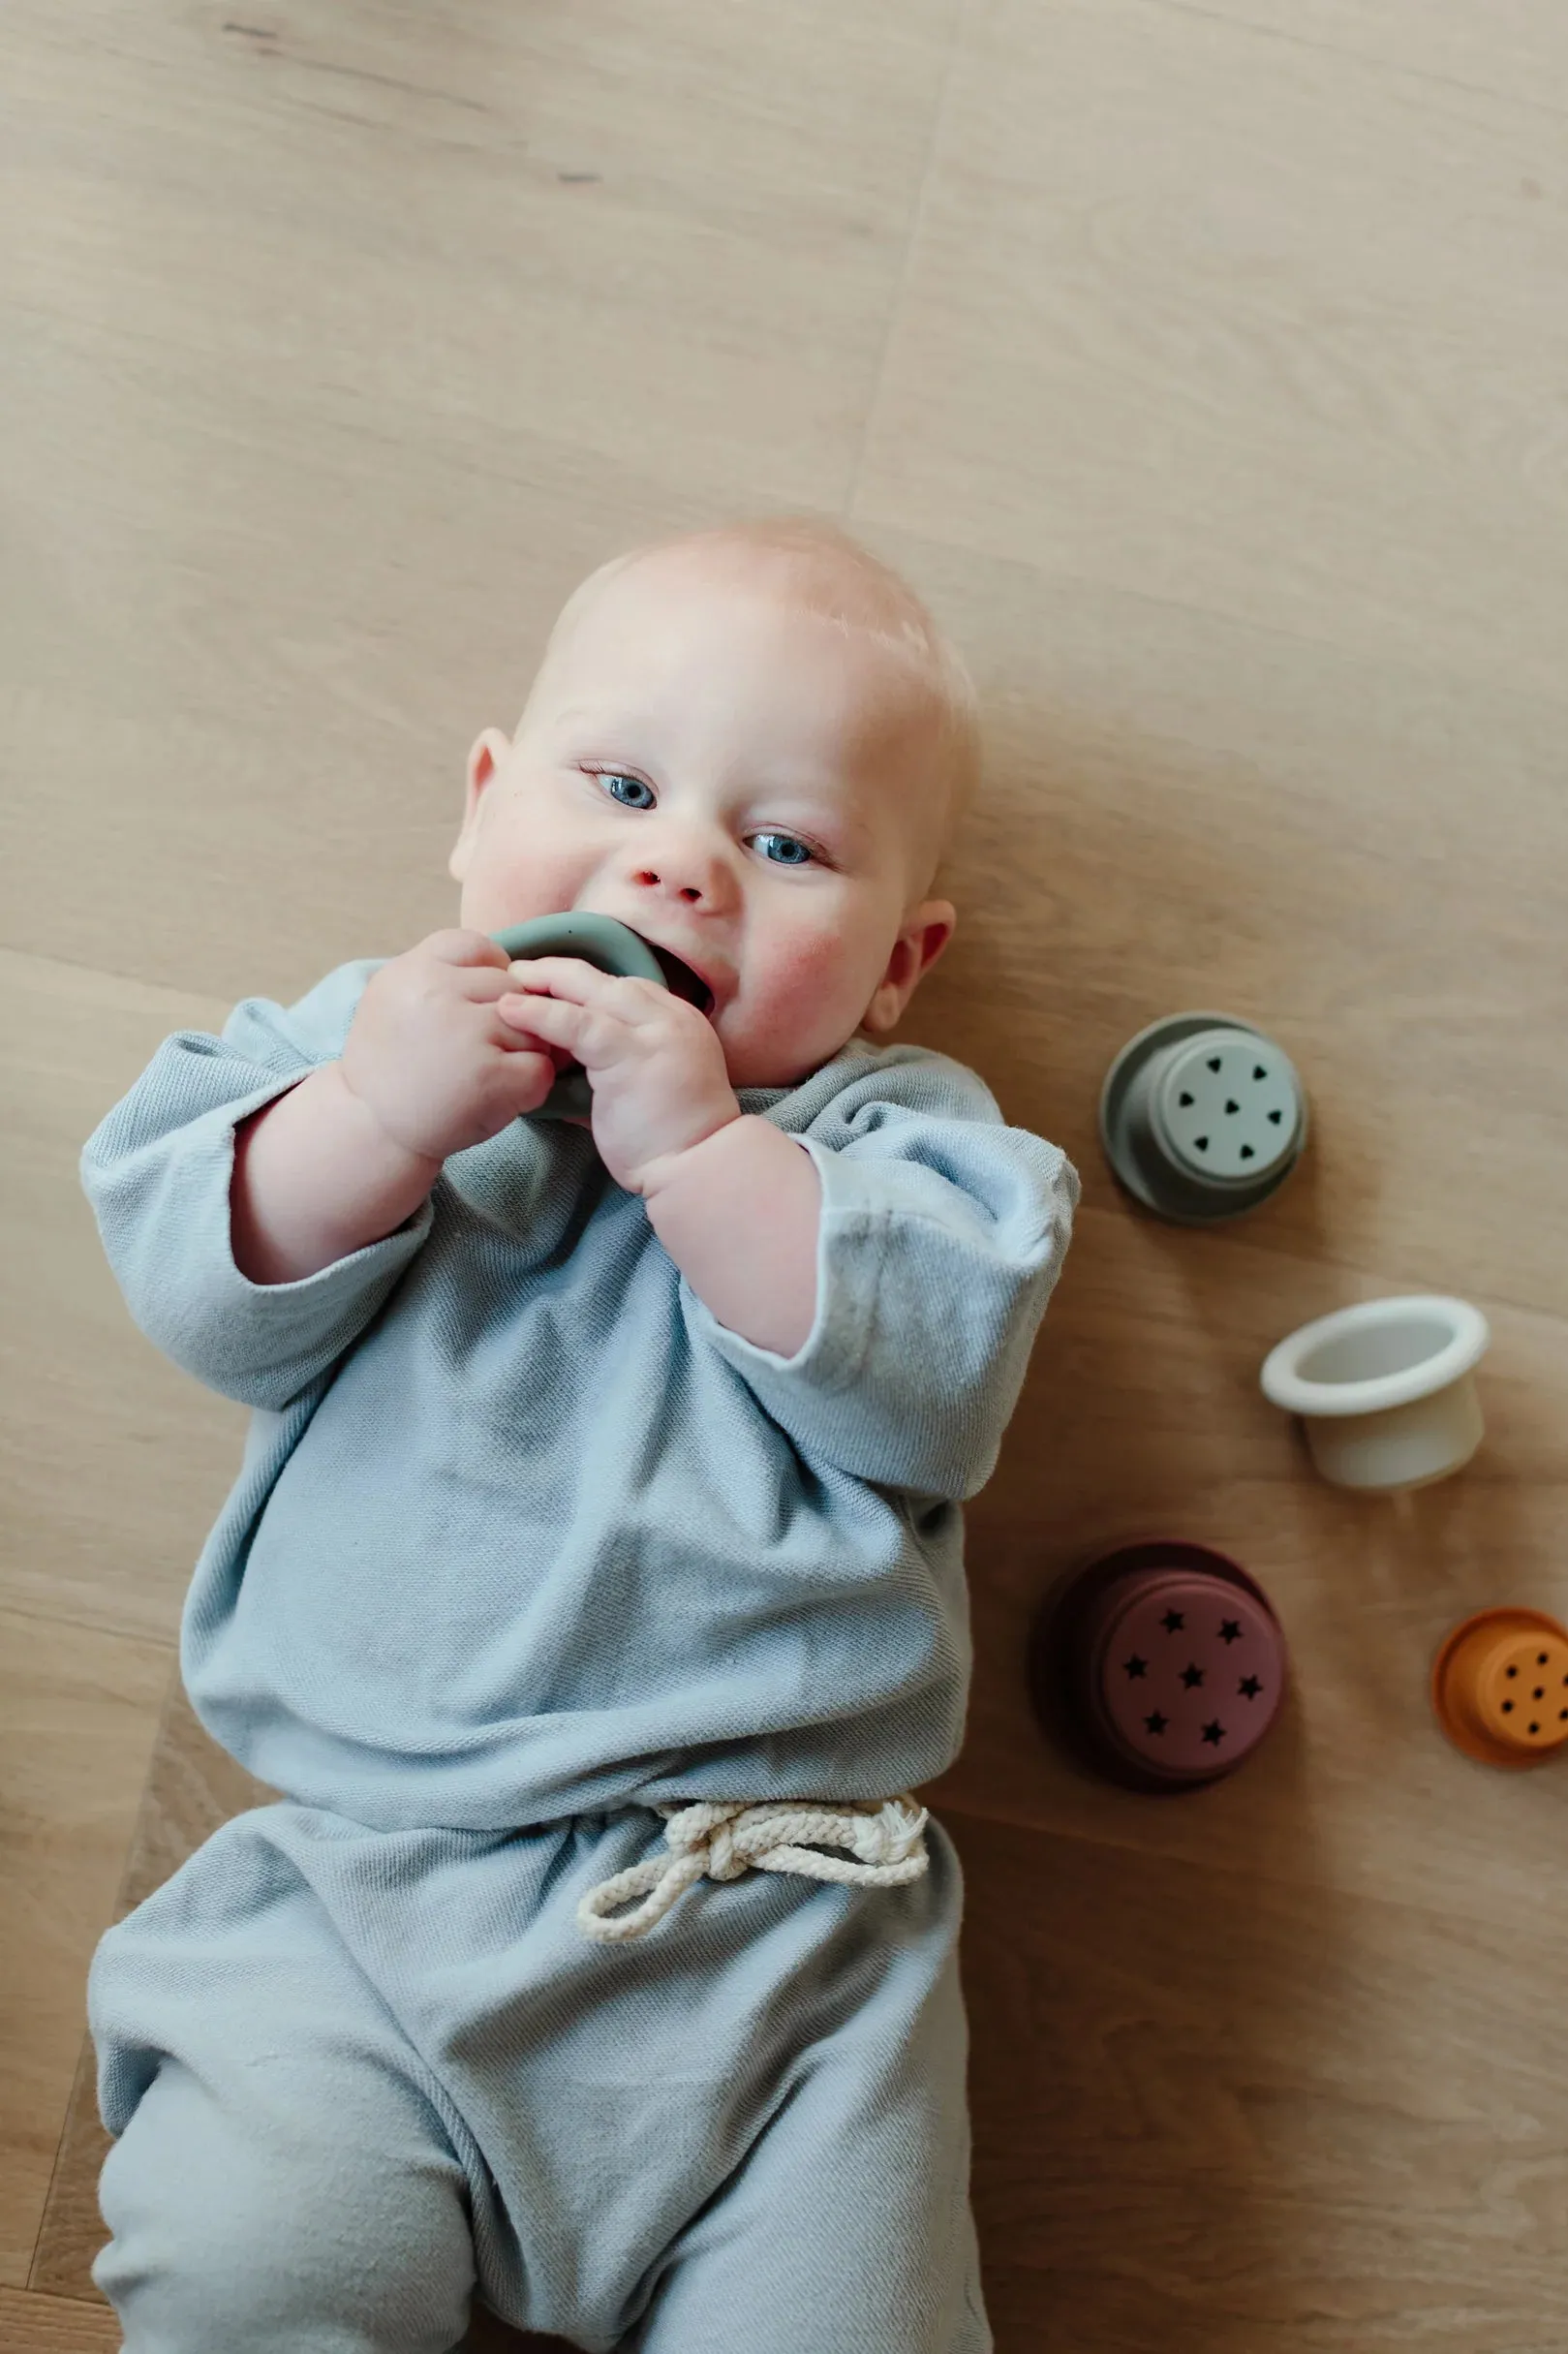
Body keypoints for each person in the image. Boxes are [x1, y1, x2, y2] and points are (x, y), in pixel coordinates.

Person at [80, 518, 1078, 2352]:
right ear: (481, 809)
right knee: (258, 2269)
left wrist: (704, 1151)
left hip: (780, 1956)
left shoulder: (901, 1141)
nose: (674, 862)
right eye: (617, 782)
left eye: (783, 846)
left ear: (896, 962)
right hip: (366, 1905)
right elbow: (193, 1277)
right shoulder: (371, 1044)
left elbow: (933, 1380)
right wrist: (372, 1113)